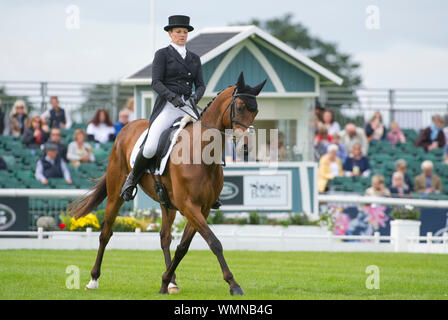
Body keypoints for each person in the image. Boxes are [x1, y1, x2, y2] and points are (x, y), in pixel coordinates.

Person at [120, 15, 205, 201]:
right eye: (178, 32)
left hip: (188, 107)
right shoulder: (163, 54)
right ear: (170, 34)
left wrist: (195, 97)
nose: (181, 35)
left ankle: (210, 187)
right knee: (150, 147)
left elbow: (200, 85)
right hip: (168, 105)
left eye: (184, 32)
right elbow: (156, 82)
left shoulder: (194, 58)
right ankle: (132, 178)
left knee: (208, 140)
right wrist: (172, 97)